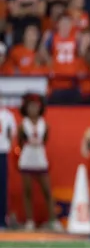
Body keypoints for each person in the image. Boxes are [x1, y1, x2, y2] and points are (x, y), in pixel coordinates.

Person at [18, 93, 62, 231]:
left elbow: (45, 140)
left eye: (36, 107)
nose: (33, 109)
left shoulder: (44, 124)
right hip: (27, 159)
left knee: (47, 191)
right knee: (27, 191)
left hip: (40, 159)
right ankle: (30, 221)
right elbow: (19, 142)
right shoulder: (22, 124)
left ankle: (53, 220)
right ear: (26, 108)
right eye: (30, 107)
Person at [0, 102, 16, 230]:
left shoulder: (7, 115)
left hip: (2, 152)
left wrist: (8, 145)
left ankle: (2, 219)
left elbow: (12, 134)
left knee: (2, 187)